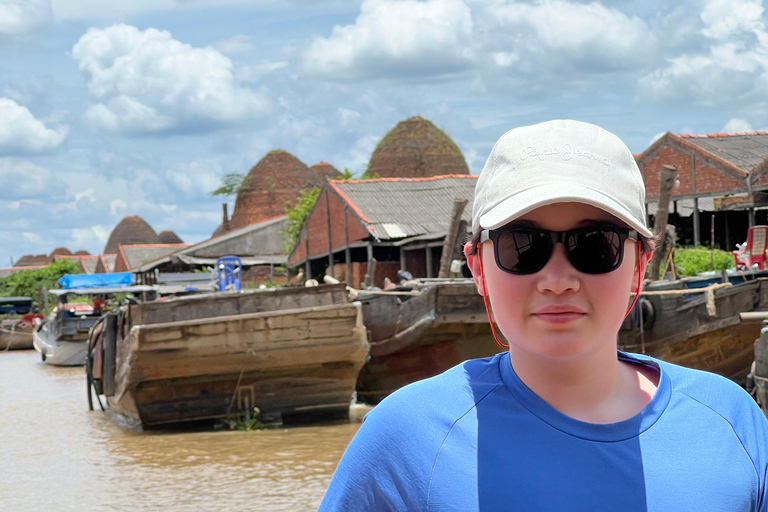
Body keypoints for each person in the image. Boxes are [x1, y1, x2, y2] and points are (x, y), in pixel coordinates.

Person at [318, 120, 768, 511]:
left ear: (638, 266)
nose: (557, 279)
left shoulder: (731, 422)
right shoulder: (407, 439)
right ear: (478, 268)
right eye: (521, 246)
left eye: (595, 245)